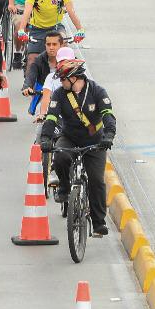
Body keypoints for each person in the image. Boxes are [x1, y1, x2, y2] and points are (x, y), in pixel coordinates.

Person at [39, 58, 114, 237]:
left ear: (74, 78)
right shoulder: (59, 94)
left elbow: (108, 115)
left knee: (96, 180)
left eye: (63, 79)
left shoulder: (97, 91)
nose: (61, 82)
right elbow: (51, 117)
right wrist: (46, 138)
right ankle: (65, 189)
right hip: (70, 137)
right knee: (61, 158)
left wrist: (109, 135)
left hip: (95, 141)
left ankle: (98, 222)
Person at [17, 0, 85, 71]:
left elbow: (71, 12)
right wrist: (21, 29)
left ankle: (65, 83)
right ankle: (29, 86)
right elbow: (27, 11)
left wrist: (80, 29)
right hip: (37, 28)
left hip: (56, 27)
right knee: (32, 60)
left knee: (64, 54)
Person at [23, 31, 65, 117]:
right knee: (41, 118)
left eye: (54, 44)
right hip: (44, 94)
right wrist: (27, 87)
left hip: (65, 95)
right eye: (48, 44)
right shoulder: (38, 60)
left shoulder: (69, 59)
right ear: (45, 45)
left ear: (61, 45)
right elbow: (31, 75)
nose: (51, 47)